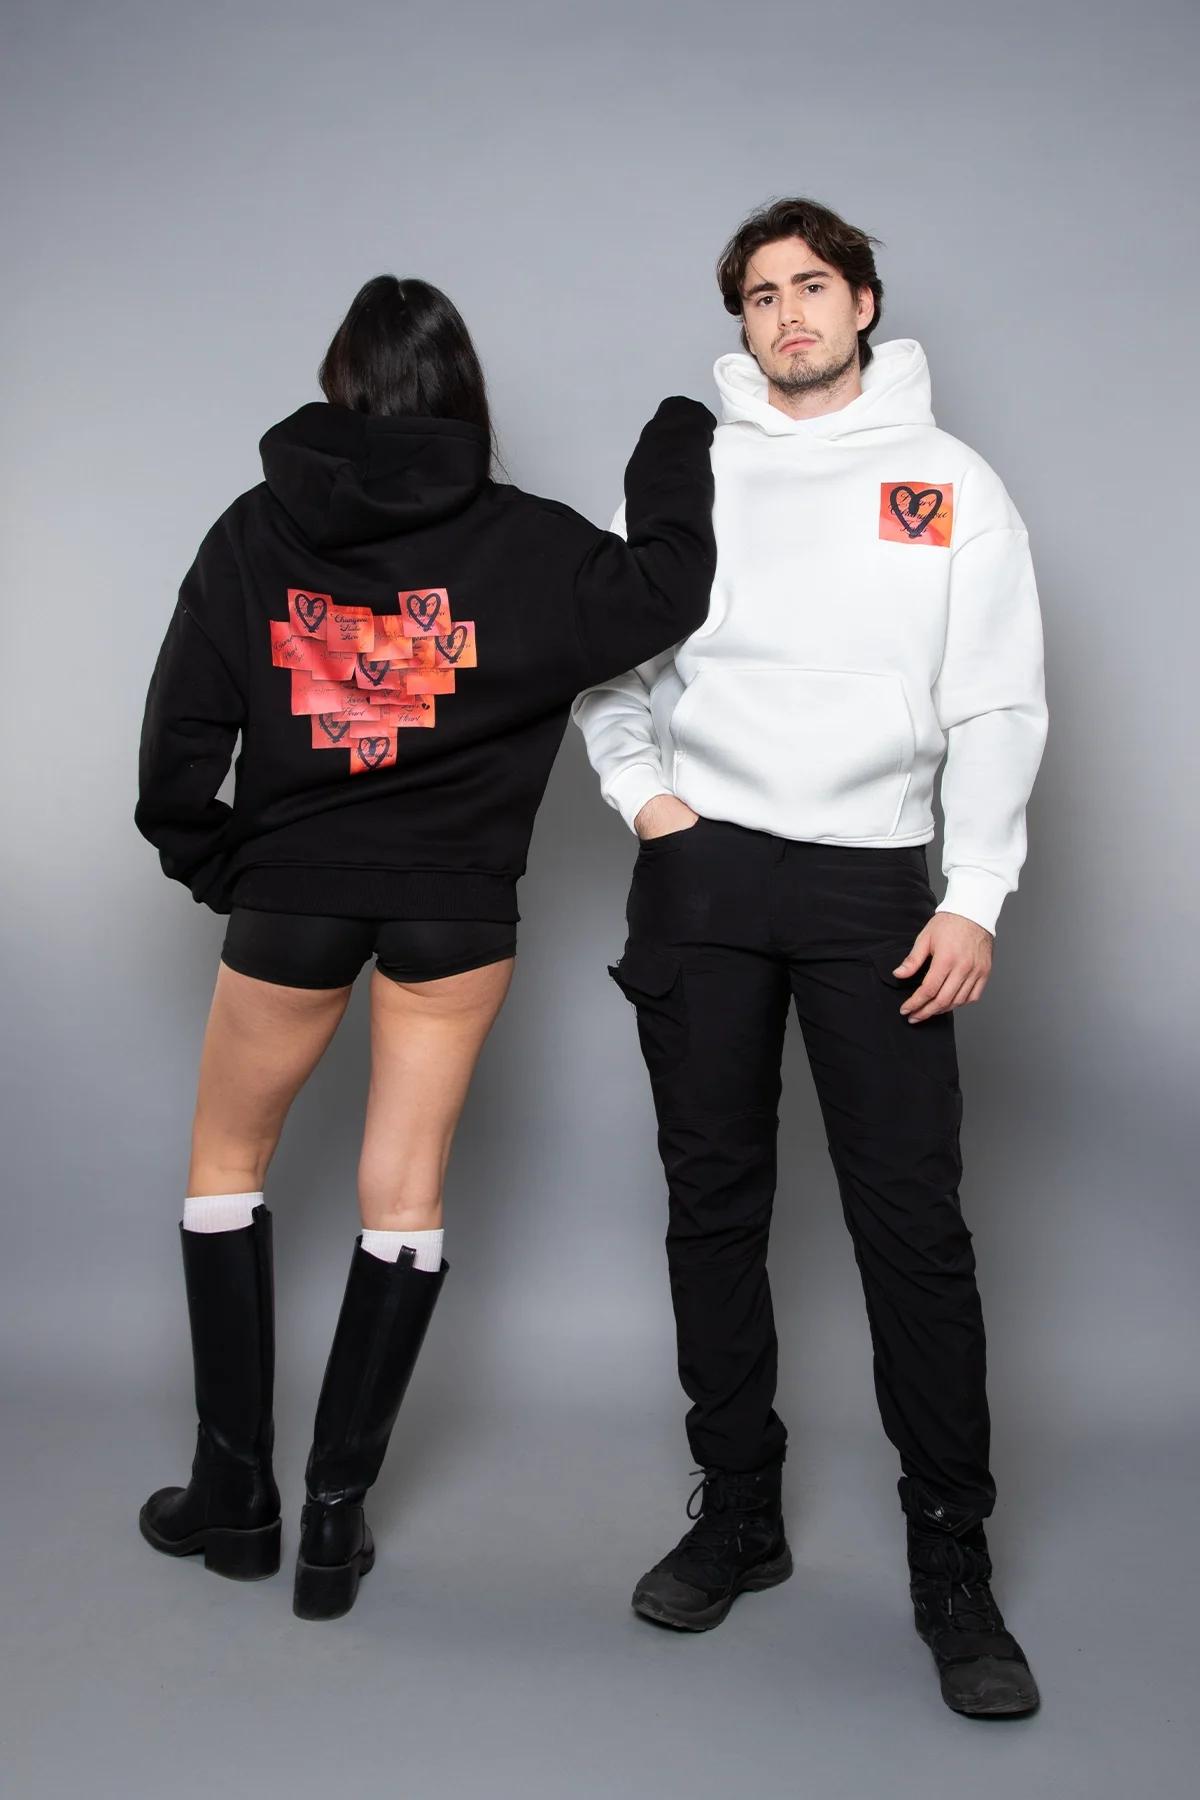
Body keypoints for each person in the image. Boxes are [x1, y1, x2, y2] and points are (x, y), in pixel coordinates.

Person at [135, 275, 716, 1621]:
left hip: (292, 897)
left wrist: (216, 861)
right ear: (465, 393)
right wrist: (677, 434)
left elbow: (179, 736)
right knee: (404, 1188)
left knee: (226, 1162)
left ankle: (235, 1498)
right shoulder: (531, 543)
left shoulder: (254, 530)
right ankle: (333, 1526)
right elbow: (668, 585)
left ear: (340, 383)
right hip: (457, 907)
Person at [573, 198, 1047, 1717]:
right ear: (743, 321)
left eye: (813, 286)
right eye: (762, 294)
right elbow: (608, 653)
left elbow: (997, 698)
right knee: (714, 1208)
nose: (788, 313)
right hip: (703, 875)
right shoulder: (694, 468)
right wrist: (646, 801)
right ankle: (740, 1512)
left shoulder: (947, 480)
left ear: (863, 304)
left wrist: (976, 891)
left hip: (871, 890)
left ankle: (952, 1558)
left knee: (912, 1225)